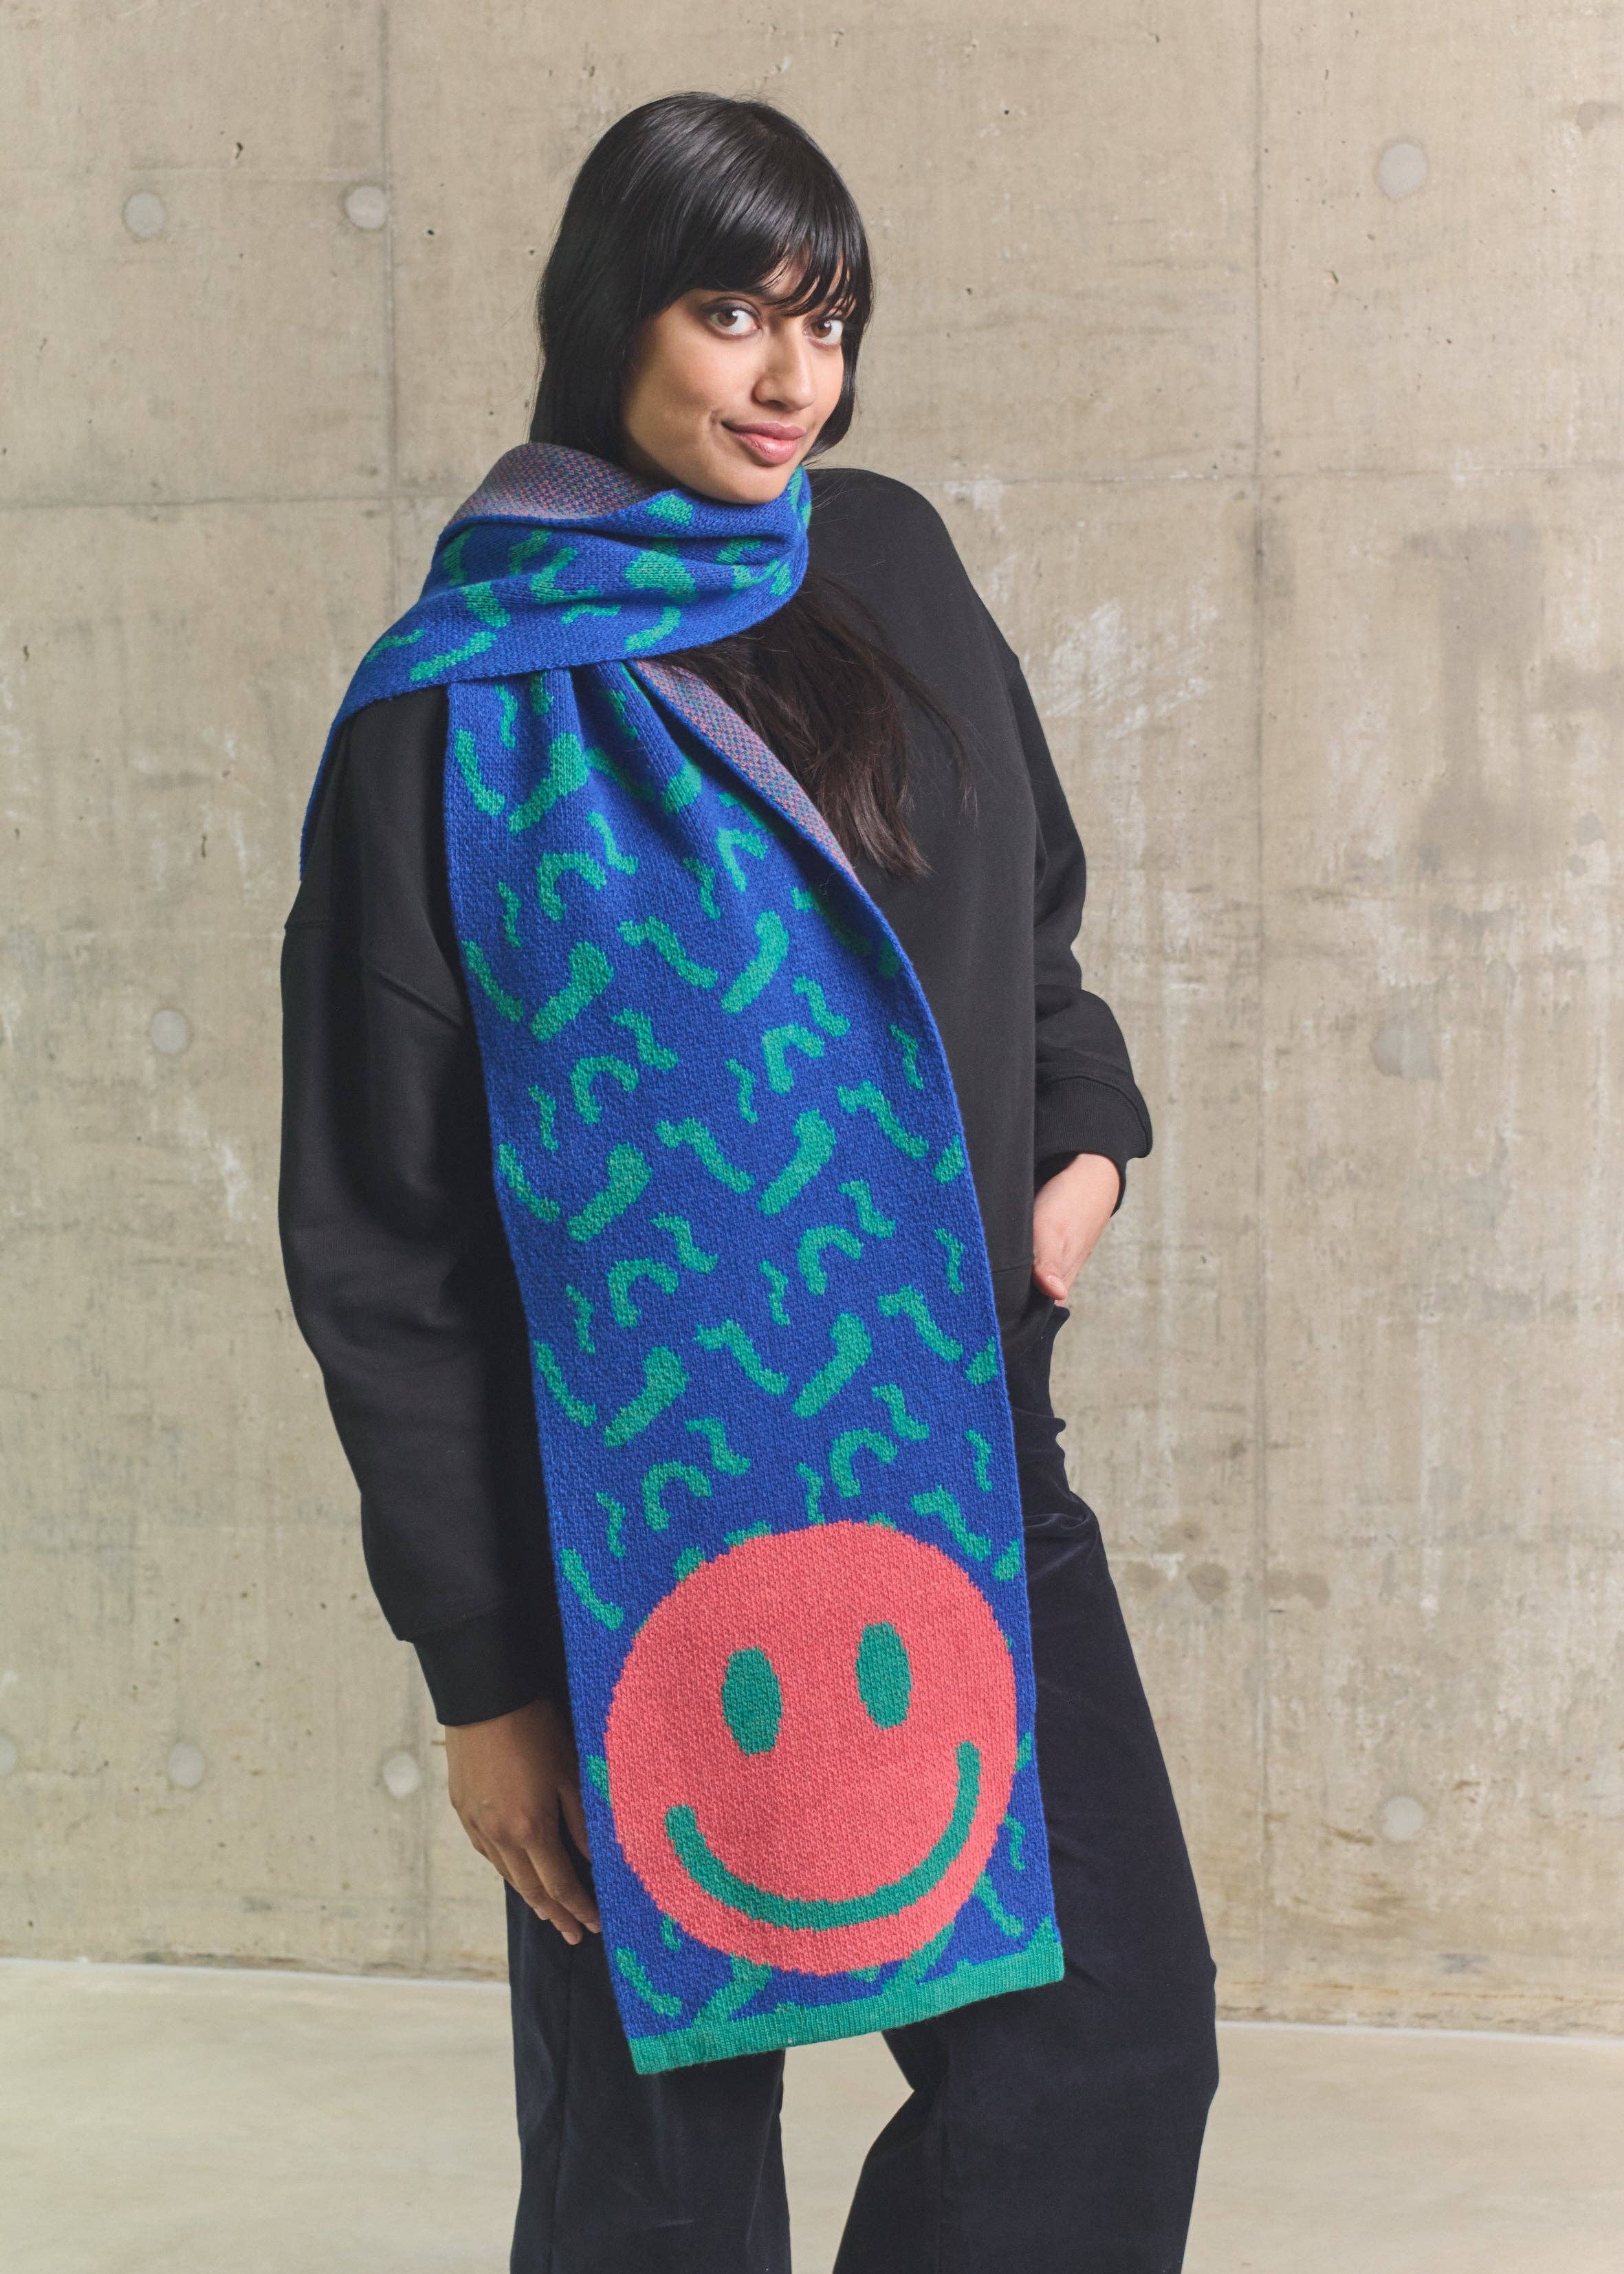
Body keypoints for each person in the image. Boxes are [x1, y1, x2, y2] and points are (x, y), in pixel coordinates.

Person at [280, 89, 1217, 2274]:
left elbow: (1031, 912)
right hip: (614, 1541)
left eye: (830, 321)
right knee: (660, 2183)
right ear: (611, 314)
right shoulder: (448, 709)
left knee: (1103, 2047)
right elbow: (380, 1236)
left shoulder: (880, 558)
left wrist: (1073, 1160)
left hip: (959, 1470)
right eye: (733, 313)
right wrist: (483, 1682)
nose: (794, 380)